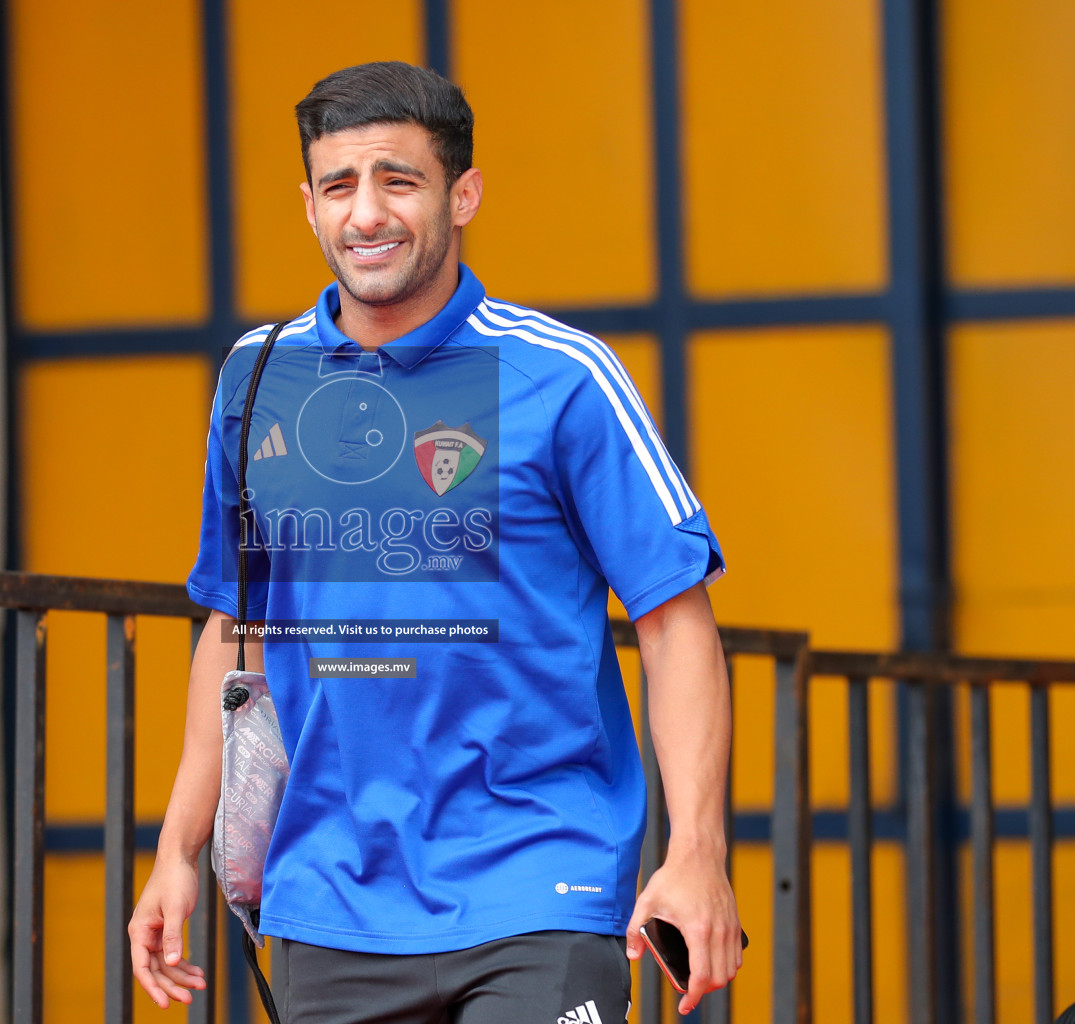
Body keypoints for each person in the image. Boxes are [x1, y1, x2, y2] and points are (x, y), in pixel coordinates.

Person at [129, 60, 743, 1022]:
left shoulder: (563, 376)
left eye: (397, 181)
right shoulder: (256, 380)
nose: (365, 214)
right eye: (339, 186)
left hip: (538, 882)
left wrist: (698, 852)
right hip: (331, 901)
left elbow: (675, 624)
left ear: (464, 196)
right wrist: (176, 848)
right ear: (309, 206)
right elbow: (234, 629)